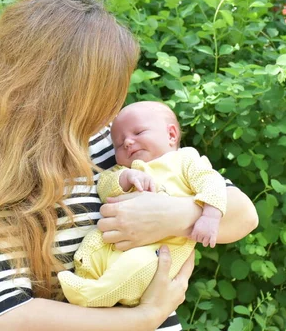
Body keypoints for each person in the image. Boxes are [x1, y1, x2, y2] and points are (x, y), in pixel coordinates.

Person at [0, 0, 259, 331]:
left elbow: (243, 214)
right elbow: (3, 318)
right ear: (66, 89)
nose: (117, 104)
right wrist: (142, 319)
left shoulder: (111, 142)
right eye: (107, 89)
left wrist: (174, 216)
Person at [58, 101, 231, 307]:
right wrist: (125, 178)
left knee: (137, 264)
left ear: (171, 135)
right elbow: (104, 188)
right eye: (119, 145)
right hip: (115, 245)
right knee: (92, 245)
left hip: (159, 250)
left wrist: (210, 215)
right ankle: (86, 277)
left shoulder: (185, 161)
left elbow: (212, 183)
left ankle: (93, 295)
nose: (128, 143)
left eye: (138, 133)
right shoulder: (125, 170)